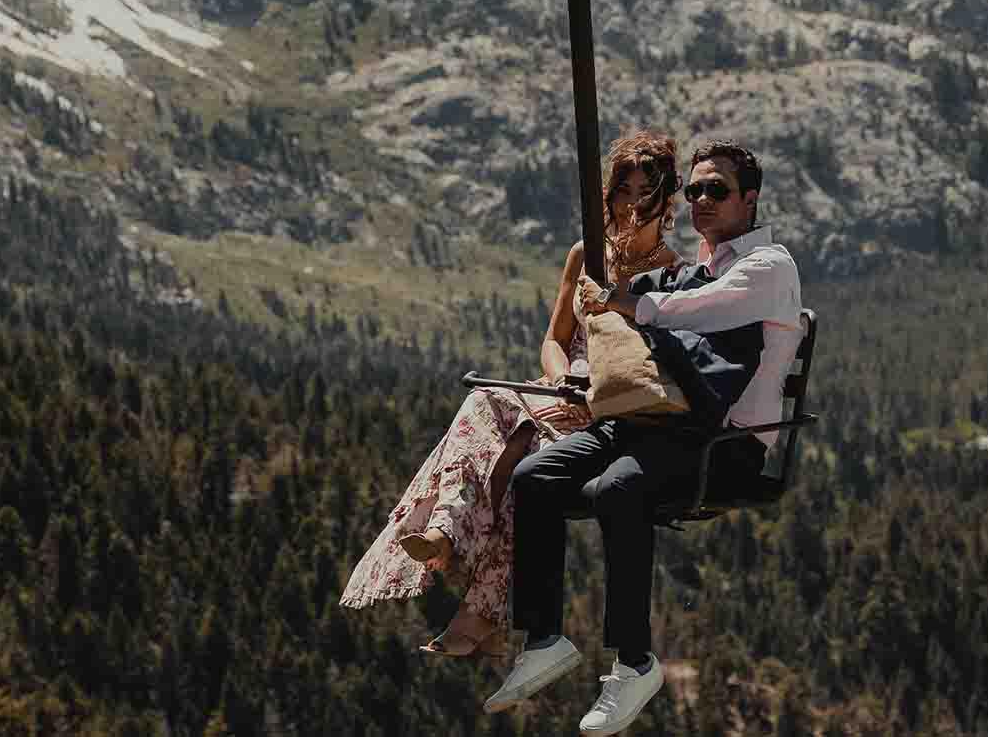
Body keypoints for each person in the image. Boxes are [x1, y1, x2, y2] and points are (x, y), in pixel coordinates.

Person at [484, 140, 804, 735]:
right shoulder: (692, 268)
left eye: (718, 190)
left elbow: (701, 311)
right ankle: (545, 635)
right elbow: (658, 295)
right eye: (696, 190)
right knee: (537, 476)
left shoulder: (768, 267)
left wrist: (627, 302)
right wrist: (603, 284)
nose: (702, 200)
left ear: (750, 199)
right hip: (657, 425)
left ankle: (634, 661)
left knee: (617, 491)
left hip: (723, 446)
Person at [339, 130, 683, 657]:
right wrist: (561, 378)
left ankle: (463, 570)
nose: (632, 203)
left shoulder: (673, 273)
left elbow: (655, 364)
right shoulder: (587, 254)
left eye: (645, 191)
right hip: (564, 389)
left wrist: (592, 393)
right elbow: (555, 338)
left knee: (527, 451)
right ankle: (452, 546)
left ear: (666, 200)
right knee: (489, 403)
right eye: (623, 190)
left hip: (614, 403)